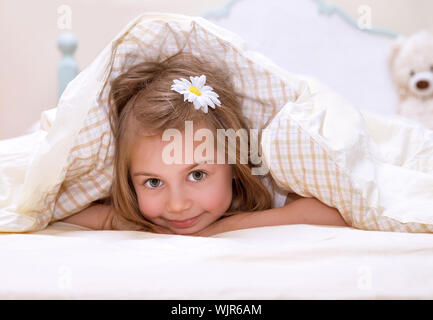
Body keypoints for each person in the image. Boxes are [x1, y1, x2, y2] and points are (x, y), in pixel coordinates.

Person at [61, 52, 347, 236]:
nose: (177, 205)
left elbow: (334, 211)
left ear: (234, 163)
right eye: (153, 182)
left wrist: (224, 227)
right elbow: (63, 206)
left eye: (197, 175)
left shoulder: (272, 185)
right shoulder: (139, 216)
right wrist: (123, 221)